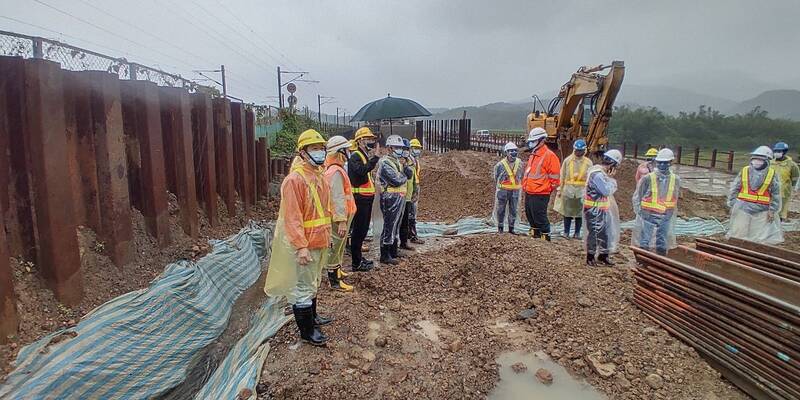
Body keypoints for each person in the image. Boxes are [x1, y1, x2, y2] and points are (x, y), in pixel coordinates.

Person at [264, 129, 333, 346]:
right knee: (302, 287)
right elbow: (292, 218)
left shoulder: (318, 176)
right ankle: (307, 331)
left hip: (320, 240)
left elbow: (324, 211)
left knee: (313, 282)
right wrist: (301, 246)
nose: (319, 152)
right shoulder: (294, 180)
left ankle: (313, 317)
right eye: (314, 148)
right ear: (302, 153)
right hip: (306, 243)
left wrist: (328, 235)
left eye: (321, 148)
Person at [726, 146, 783, 244]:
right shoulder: (745, 171)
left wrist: (772, 210)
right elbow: (735, 189)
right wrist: (732, 204)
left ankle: (751, 255)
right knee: (738, 233)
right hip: (742, 208)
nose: (757, 161)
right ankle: (736, 253)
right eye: (755, 158)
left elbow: (776, 194)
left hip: (762, 210)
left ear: (767, 161)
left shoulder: (772, 174)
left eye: (760, 159)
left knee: (757, 237)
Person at [632, 148, 680, 255]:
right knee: (645, 239)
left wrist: (670, 213)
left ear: (670, 163)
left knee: (662, 240)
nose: (662, 165)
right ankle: (642, 259)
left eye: (665, 163)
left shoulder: (675, 179)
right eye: (660, 163)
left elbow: (675, 197)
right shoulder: (648, 178)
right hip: (648, 214)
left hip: (666, 214)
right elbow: (638, 196)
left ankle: (660, 259)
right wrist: (640, 212)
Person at [323, 135, 356, 292]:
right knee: (335, 246)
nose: (349, 152)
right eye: (346, 150)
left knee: (339, 246)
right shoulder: (335, 172)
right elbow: (337, 198)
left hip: (342, 215)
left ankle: (337, 270)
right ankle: (334, 280)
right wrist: (341, 220)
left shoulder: (336, 169)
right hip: (338, 217)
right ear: (340, 152)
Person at [347, 127, 379, 272]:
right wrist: (375, 159)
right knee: (358, 231)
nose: (371, 142)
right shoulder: (355, 156)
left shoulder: (363, 155)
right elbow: (361, 171)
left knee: (363, 230)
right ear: (359, 141)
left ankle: (360, 258)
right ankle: (356, 263)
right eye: (368, 139)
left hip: (366, 199)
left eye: (372, 139)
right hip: (359, 199)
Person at [378, 135, 413, 264]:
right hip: (389, 198)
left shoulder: (398, 161)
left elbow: (409, 175)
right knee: (389, 225)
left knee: (396, 225)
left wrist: (406, 166)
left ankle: (393, 250)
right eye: (397, 147)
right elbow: (396, 180)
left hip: (399, 198)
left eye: (400, 148)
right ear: (389, 148)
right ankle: (385, 254)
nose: (399, 150)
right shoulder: (385, 162)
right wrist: (402, 175)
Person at [584, 149, 622, 267]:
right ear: (613, 164)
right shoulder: (598, 174)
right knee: (594, 233)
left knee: (605, 233)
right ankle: (590, 256)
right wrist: (611, 180)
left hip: (602, 209)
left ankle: (603, 255)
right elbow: (606, 191)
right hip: (593, 210)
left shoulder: (600, 172)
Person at [521, 127, 561, 240]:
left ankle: (545, 235)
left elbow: (555, 177)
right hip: (530, 190)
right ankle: (535, 232)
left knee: (539, 215)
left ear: (542, 140)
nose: (531, 143)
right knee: (530, 214)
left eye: (534, 141)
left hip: (540, 192)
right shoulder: (534, 154)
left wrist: (547, 188)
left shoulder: (549, 156)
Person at [557, 139, 592, 239]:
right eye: (577, 150)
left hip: (581, 192)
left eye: (580, 151)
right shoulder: (568, 161)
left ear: (584, 151)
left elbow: (591, 179)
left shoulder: (588, 163)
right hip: (568, 191)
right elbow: (562, 175)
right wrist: (560, 189)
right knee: (567, 212)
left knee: (579, 214)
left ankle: (577, 233)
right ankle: (566, 232)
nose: (578, 153)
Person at [493, 142, 524, 234]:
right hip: (503, 191)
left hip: (515, 191)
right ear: (506, 152)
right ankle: (500, 227)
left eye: (515, 151)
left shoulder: (520, 163)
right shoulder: (500, 165)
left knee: (513, 209)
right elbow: (496, 177)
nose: (513, 153)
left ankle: (511, 228)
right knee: (501, 209)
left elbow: (521, 175)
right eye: (511, 151)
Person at [771, 142, 799, 221]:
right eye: (775, 151)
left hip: (783, 192)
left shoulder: (791, 165)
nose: (777, 153)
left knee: (780, 212)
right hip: (770, 191)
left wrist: (792, 187)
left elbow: (795, 178)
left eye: (779, 151)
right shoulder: (770, 163)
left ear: (784, 152)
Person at [399, 139, 417, 250]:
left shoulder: (410, 161)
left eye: (407, 149)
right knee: (396, 222)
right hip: (398, 197)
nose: (406, 151)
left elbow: (412, 177)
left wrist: (415, 191)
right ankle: (393, 246)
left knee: (405, 221)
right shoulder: (395, 162)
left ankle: (404, 242)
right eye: (404, 149)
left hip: (408, 196)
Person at [408, 138, 425, 244]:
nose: (417, 150)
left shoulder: (415, 160)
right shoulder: (409, 160)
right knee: (411, 213)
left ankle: (410, 234)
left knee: (413, 212)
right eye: (415, 148)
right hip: (411, 189)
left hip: (415, 187)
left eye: (418, 148)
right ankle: (412, 236)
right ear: (410, 148)